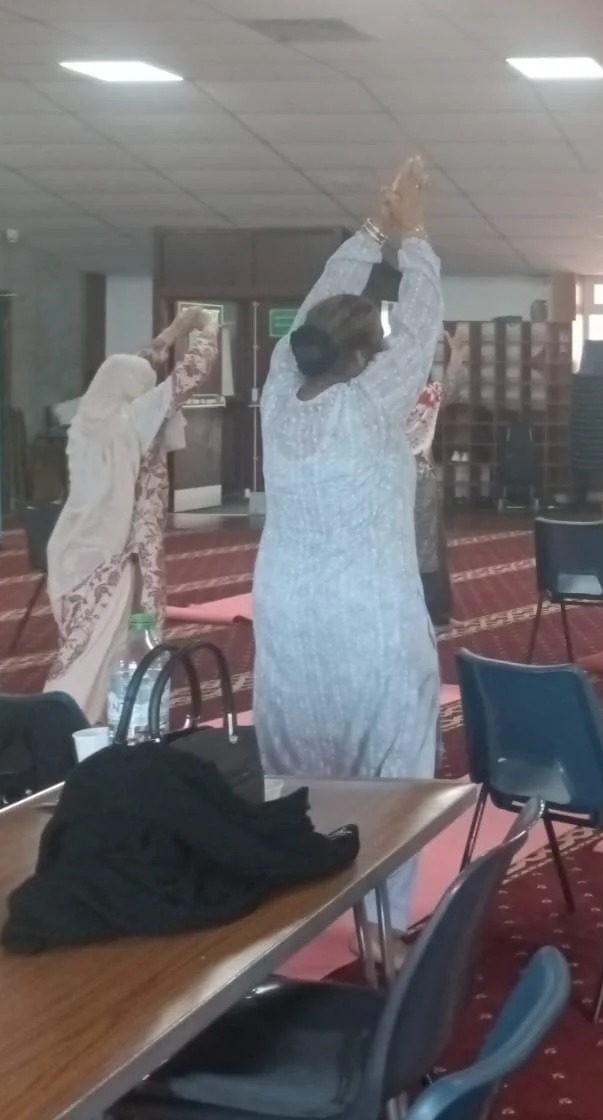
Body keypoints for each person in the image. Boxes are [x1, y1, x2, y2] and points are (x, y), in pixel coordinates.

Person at [253, 157, 442, 935]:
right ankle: (384, 926)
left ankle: (287, 915)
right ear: (367, 358)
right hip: (369, 617)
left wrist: (370, 235)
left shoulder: (274, 393)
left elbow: (311, 317)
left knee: (294, 769)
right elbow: (423, 324)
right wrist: (414, 237)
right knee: (392, 773)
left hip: (286, 614)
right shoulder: (369, 406)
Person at [44, 306, 216, 722]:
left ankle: (89, 725)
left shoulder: (85, 422)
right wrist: (207, 328)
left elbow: (140, 373)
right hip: (117, 555)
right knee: (107, 652)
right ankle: (68, 727)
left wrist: (163, 340)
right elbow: (188, 376)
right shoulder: (128, 423)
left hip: (72, 552)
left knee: (86, 648)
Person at [410, 326, 468, 629]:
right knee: (426, 550)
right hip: (416, 480)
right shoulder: (418, 395)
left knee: (426, 546)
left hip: (389, 481)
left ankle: (435, 612)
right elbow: (453, 386)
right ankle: (433, 614)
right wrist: (457, 352)